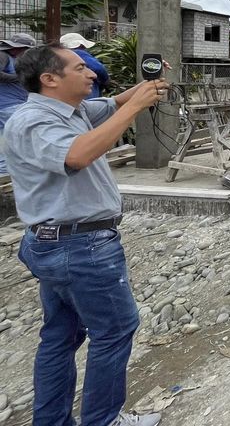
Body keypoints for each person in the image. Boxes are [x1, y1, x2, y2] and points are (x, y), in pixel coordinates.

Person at [6, 44, 166, 426]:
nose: (92, 73)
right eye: (80, 68)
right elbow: (76, 156)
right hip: (77, 247)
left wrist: (149, 83)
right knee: (115, 331)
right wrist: (135, 107)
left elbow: (113, 104)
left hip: (61, 243)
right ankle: (104, 420)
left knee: (61, 336)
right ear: (50, 79)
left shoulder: (71, 111)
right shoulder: (33, 121)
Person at [0, 32, 38, 174]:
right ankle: (5, 173)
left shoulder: (12, 58)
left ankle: (4, 171)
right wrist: (19, 77)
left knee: (6, 139)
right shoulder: (3, 56)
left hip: (10, 105)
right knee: (16, 139)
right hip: (8, 106)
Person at [60, 32, 113, 98]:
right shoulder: (79, 53)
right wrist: (105, 81)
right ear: (81, 45)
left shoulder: (59, 56)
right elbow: (98, 68)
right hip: (86, 92)